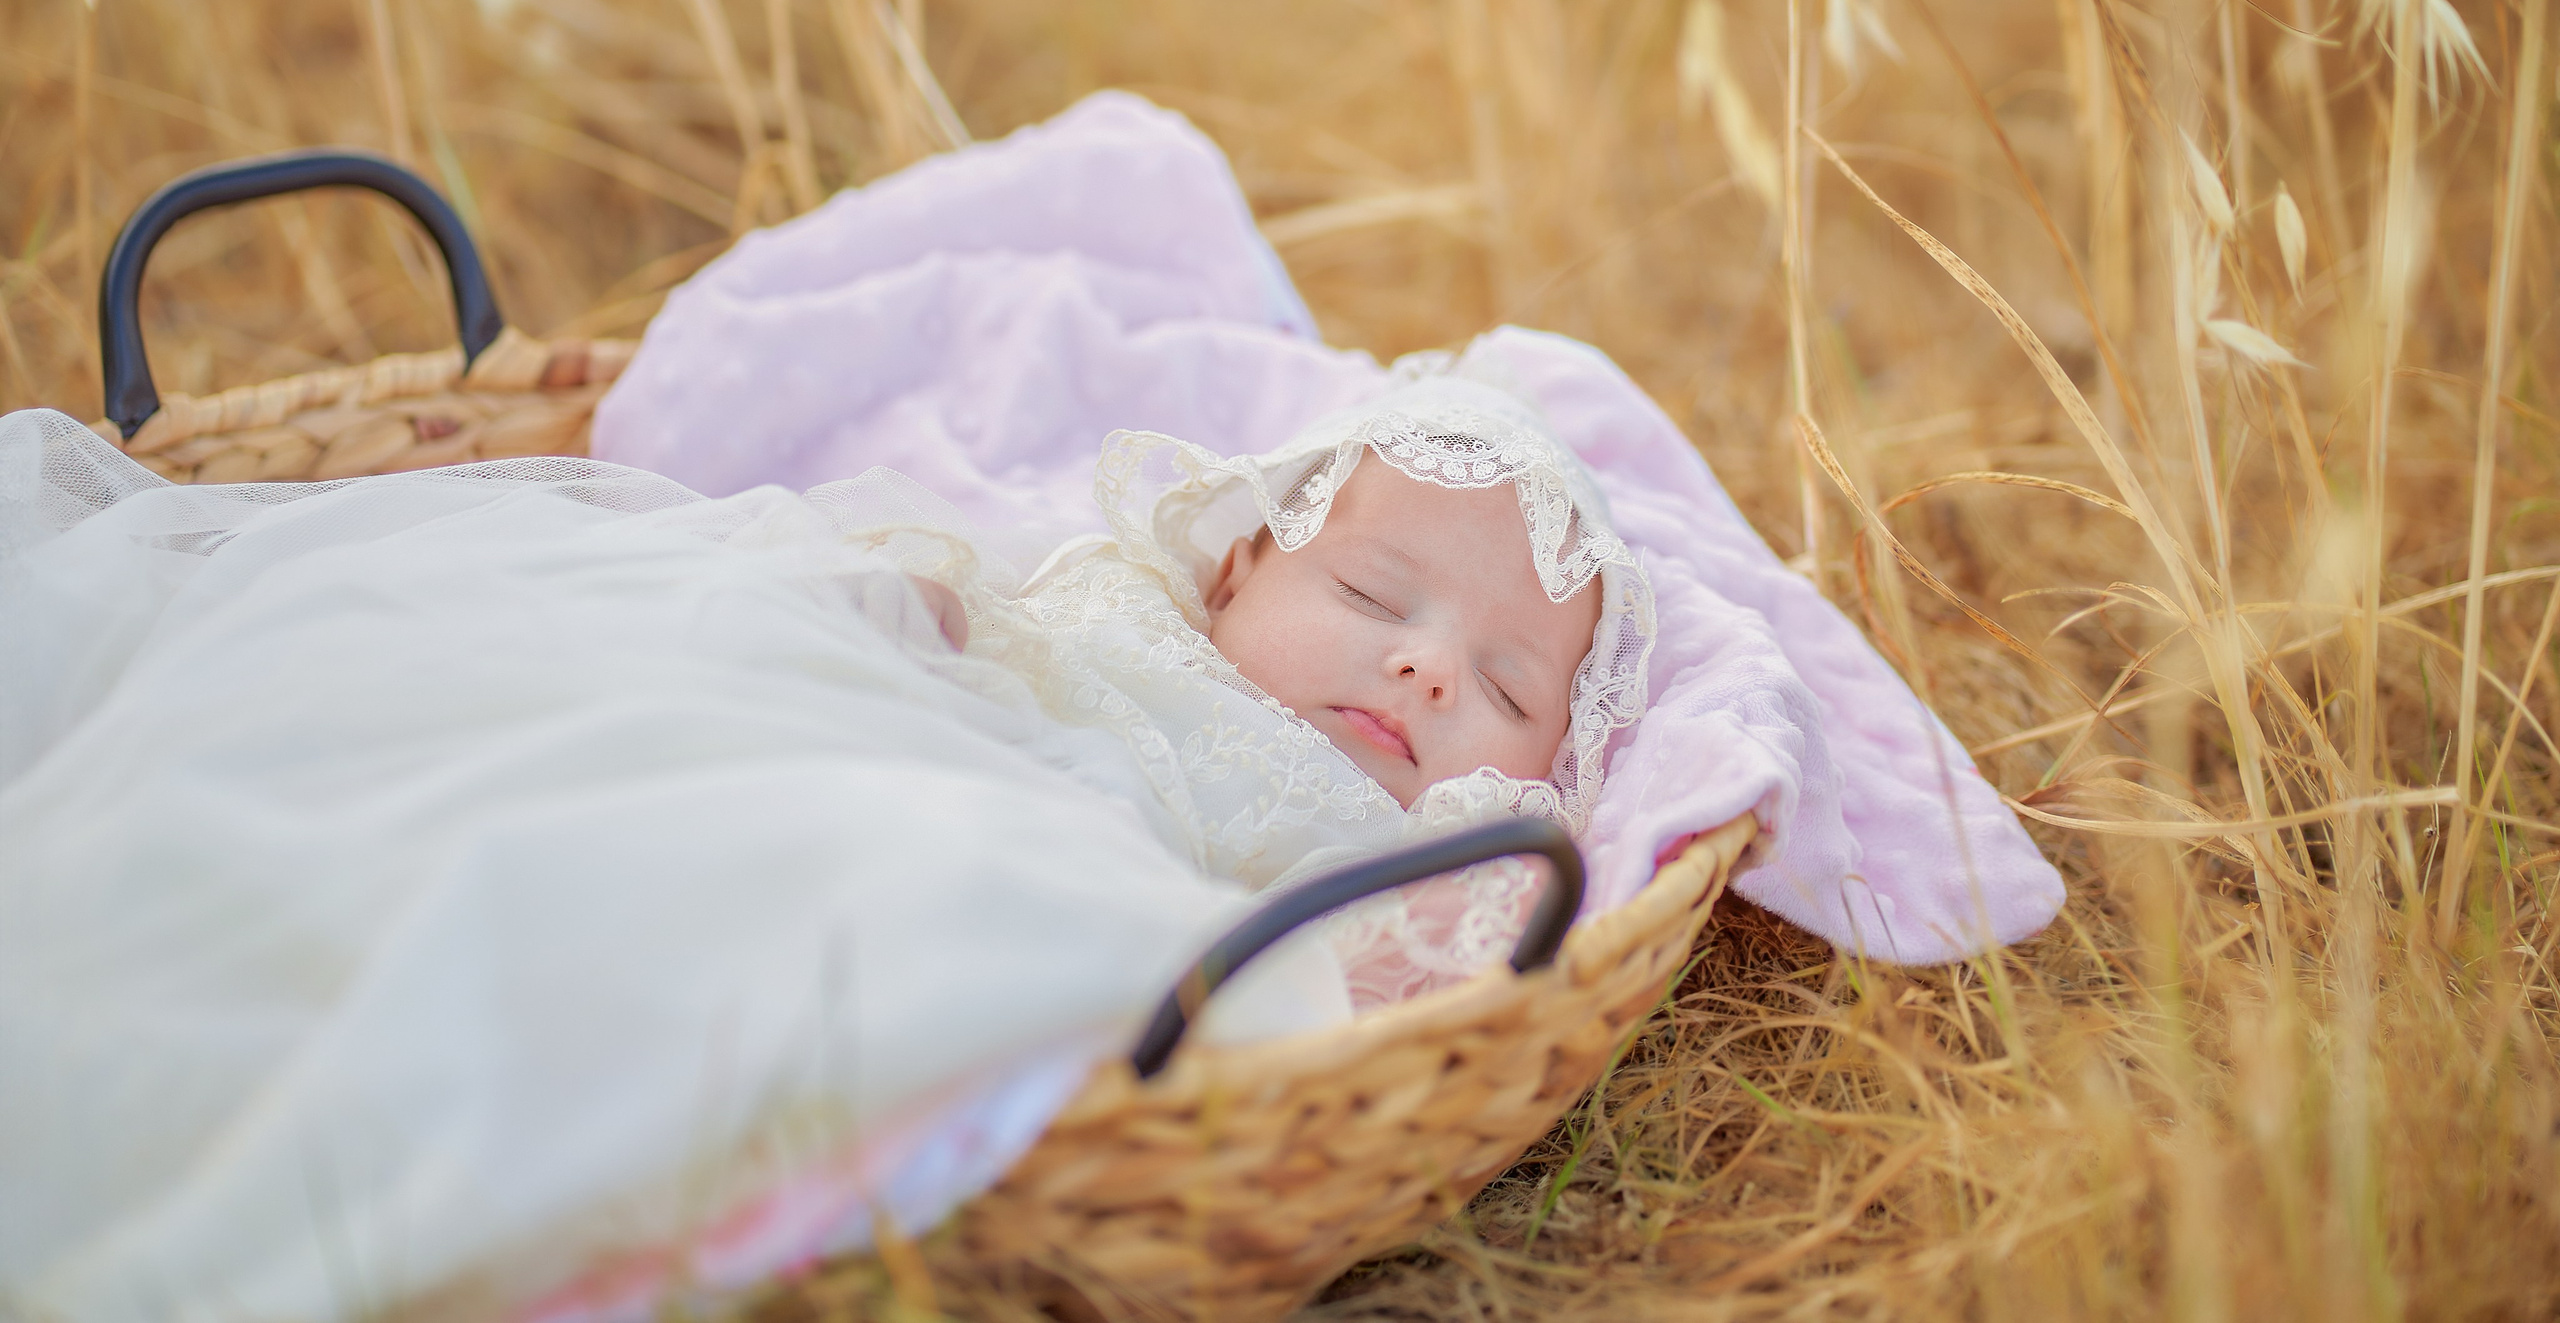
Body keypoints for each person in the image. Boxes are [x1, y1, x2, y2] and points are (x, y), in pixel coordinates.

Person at [0, 361, 1649, 1323]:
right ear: (1231, 576)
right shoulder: (1123, 604)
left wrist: (1495, 808)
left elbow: (1453, 940)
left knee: (733, 912)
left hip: (1026, 872)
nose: (1430, 665)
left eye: (1507, 679)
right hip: (857, 727)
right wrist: (902, 604)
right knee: (531, 744)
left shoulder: (1397, 830)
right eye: (1372, 597)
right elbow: (945, 590)